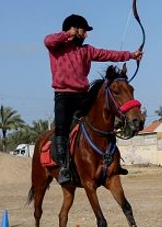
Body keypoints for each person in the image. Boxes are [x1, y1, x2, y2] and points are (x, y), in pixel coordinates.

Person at [45, 14, 142, 184]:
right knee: (62, 129)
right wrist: (67, 34)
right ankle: (64, 168)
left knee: (102, 122)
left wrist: (131, 55)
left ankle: (113, 162)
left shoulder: (86, 50)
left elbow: (108, 54)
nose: (86, 35)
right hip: (64, 96)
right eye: (84, 31)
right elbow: (48, 41)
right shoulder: (57, 47)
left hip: (83, 95)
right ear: (74, 30)